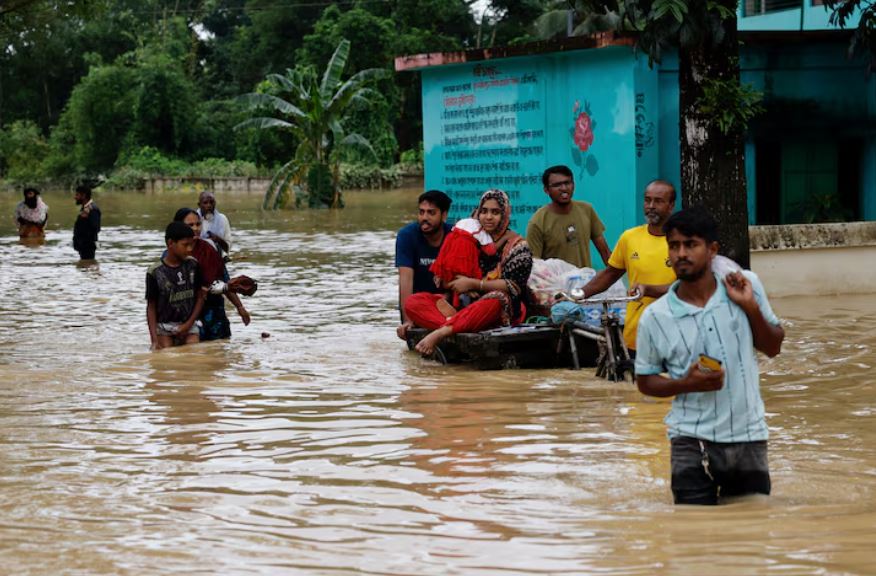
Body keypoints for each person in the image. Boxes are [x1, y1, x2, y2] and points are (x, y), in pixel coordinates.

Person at [634, 207, 785, 505]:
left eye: (691, 244)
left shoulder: (746, 286)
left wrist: (750, 307)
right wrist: (686, 384)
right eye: (674, 246)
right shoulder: (655, 317)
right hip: (688, 439)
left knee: (751, 530)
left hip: (747, 435)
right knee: (693, 536)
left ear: (712, 250)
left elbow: (773, 347)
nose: (681, 253)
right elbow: (645, 382)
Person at [405, 189, 533, 356]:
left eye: (495, 212)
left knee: (497, 299)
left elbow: (514, 286)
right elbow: (445, 278)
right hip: (463, 308)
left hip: (498, 310)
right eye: (484, 211)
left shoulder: (518, 246)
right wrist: (453, 283)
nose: (488, 217)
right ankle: (456, 324)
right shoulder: (467, 238)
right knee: (414, 302)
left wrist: (474, 284)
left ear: (504, 215)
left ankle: (442, 332)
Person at [576, 180, 678, 354]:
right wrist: (579, 293)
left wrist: (648, 289)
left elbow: (688, 287)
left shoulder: (682, 241)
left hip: (675, 335)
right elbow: (610, 274)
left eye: (658, 201)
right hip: (635, 334)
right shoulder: (630, 238)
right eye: (647, 200)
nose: (651, 206)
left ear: (671, 206)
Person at [174, 208, 251, 340]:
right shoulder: (173, 254)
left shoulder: (211, 248)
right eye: (190, 225)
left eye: (198, 224)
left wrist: (240, 307)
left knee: (219, 354)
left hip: (215, 317)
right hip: (188, 319)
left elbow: (224, 280)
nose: (196, 229)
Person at [526, 164, 611, 268]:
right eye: (557, 185)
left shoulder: (586, 209)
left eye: (567, 183)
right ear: (546, 190)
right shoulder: (538, 222)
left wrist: (617, 280)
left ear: (573, 185)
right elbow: (535, 266)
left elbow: (604, 250)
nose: (564, 188)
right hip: (556, 283)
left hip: (587, 282)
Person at [395, 190, 453, 340]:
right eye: (421, 212)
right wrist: (408, 321)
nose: (424, 218)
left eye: (431, 213)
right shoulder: (407, 235)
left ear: (444, 215)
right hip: (416, 305)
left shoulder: (454, 236)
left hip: (446, 303)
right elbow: (405, 279)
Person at [146, 222, 207, 350]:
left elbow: (200, 297)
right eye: (185, 245)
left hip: (190, 325)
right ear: (170, 244)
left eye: (191, 245)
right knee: (167, 355)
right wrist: (154, 340)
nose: (190, 249)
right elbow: (151, 306)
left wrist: (187, 325)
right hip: (164, 327)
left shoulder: (193, 265)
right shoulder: (155, 272)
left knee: (194, 353)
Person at [197, 191, 231, 258]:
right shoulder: (194, 219)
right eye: (205, 203)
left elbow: (227, 248)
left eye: (211, 202)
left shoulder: (222, 219)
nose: (209, 205)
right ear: (199, 204)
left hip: (218, 258)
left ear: (215, 203)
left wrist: (218, 240)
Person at [73, 185, 101, 260]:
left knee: (88, 266)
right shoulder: (85, 208)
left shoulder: (92, 209)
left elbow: (96, 228)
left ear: (84, 195)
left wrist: (83, 241)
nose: (75, 197)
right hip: (83, 246)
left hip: (87, 246)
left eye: (77, 195)